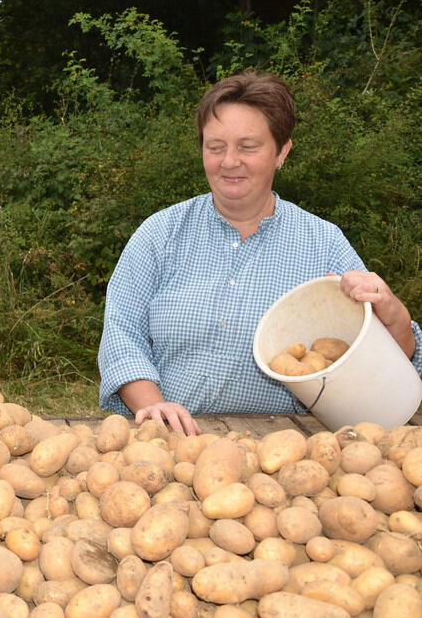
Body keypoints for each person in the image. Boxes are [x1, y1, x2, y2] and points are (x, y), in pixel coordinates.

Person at [97, 71, 422, 435]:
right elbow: (122, 335)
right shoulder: (161, 234)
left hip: (284, 445)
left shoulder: (323, 244)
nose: (229, 161)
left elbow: (387, 357)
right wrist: (153, 405)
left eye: (248, 147)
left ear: (282, 151)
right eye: (215, 146)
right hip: (170, 442)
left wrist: (392, 313)